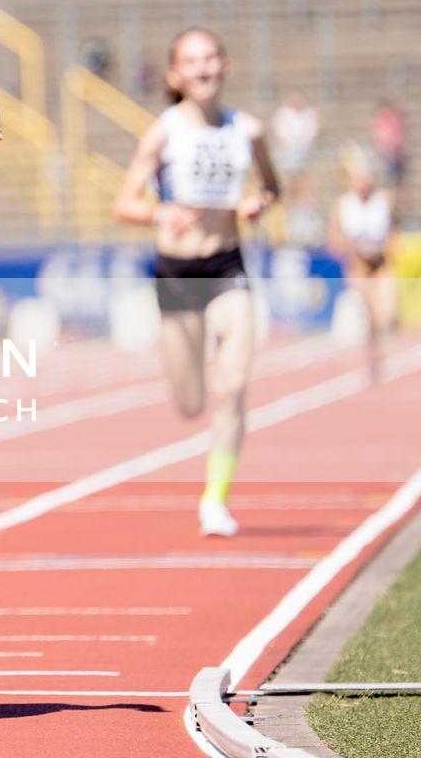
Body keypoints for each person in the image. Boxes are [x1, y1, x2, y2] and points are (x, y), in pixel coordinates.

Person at [112, 29, 279, 539]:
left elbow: (272, 187)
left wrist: (259, 202)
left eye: (210, 58)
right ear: (175, 75)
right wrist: (161, 212)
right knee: (190, 402)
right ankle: (200, 419)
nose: (203, 68)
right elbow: (124, 203)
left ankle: (215, 499)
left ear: (225, 66)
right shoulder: (164, 132)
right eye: (192, 61)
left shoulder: (246, 130)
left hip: (228, 268)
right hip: (177, 275)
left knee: (232, 387)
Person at [331, 146, 396, 381]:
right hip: (359, 263)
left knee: (385, 314)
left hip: (381, 262)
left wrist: (390, 247)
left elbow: (395, 230)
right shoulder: (343, 204)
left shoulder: (384, 200)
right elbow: (334, 238)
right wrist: (349, 249)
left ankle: (377, 347)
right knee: (368, 312)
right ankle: (373, 357)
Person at [270, 91, 320, 178]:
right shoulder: (284, 113)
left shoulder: (308, 114)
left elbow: (313, 132)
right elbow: (278, 132)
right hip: (287, 147)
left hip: (304, 148)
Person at [369, 99, 409, 190]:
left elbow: (400, 134)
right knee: (389, 179)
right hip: (387, 152)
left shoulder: (394, 118)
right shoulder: (381, 119)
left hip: (395, 153)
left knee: (397, 179)